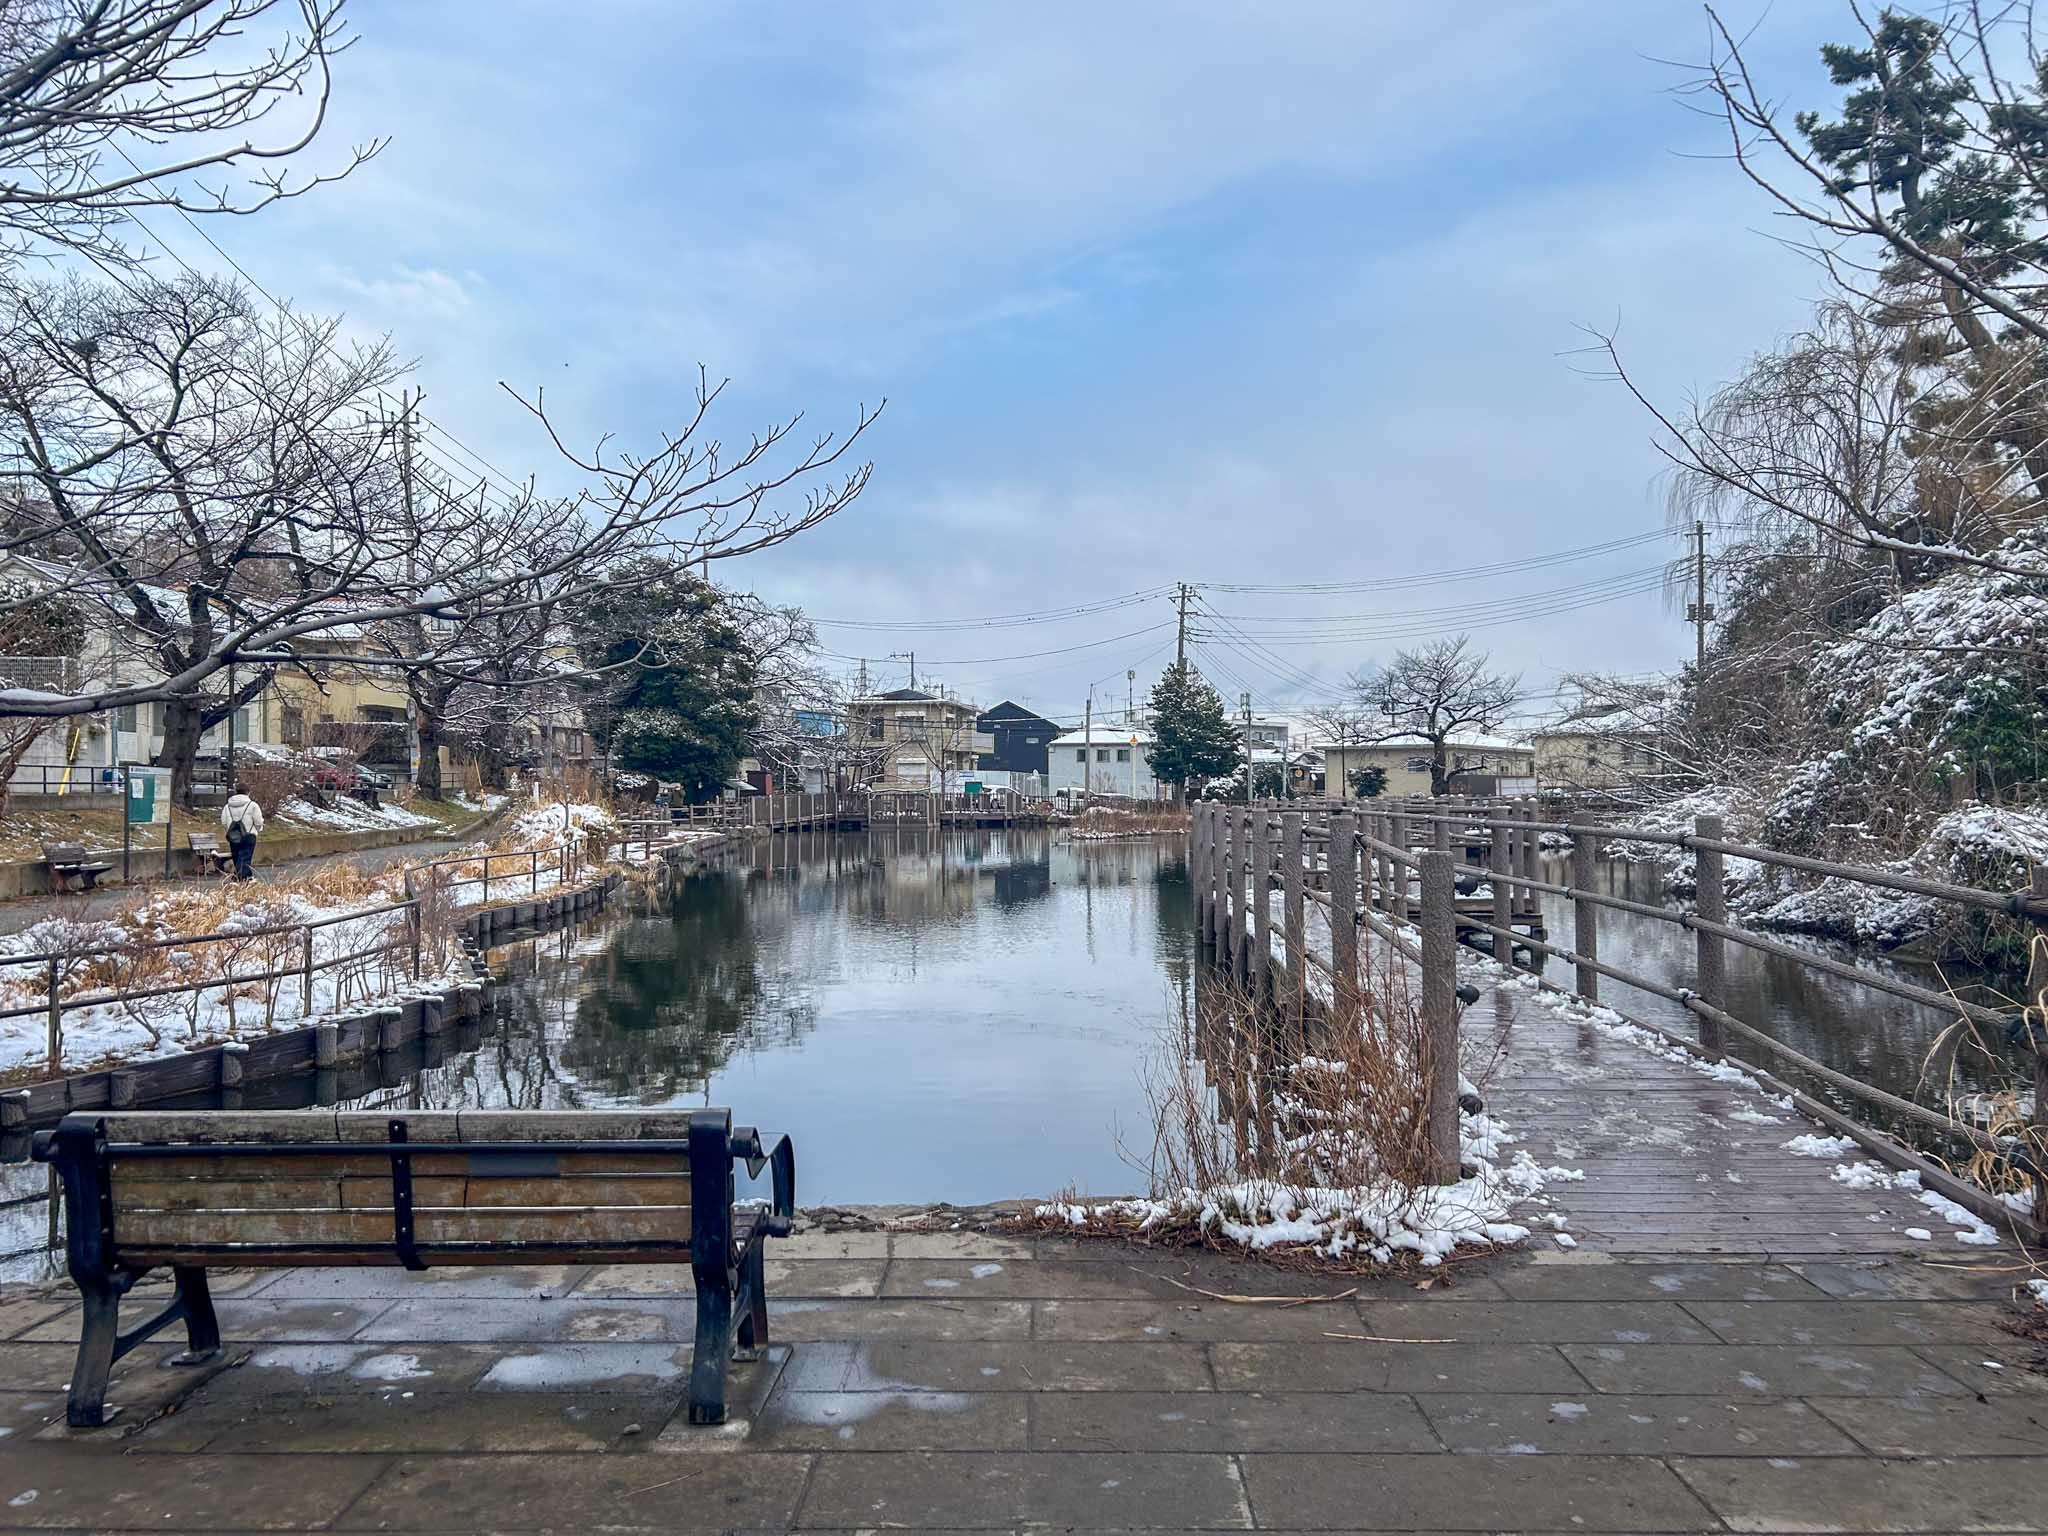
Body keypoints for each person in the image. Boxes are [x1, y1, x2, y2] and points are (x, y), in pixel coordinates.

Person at [220, 789, 265, 880]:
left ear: (236, 791)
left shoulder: (227, 806)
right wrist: (258, 829)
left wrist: (229, 830)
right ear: (248, 792)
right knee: (245, 858)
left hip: (233, 836)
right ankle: (241, 878)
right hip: (249, 835)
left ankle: (244, 877)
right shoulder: (252, 805)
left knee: (236, 857)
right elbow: (258, 822)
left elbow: (224, 821)